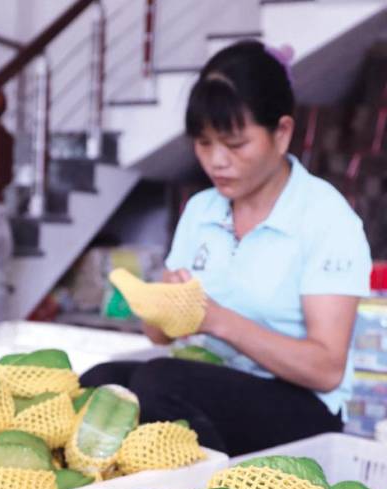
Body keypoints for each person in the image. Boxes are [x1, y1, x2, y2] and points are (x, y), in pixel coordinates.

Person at [80, 40, 371, 456]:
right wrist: (166, 306)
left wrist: (216, 320)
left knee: (160, 385)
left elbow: (325, 369)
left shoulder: (326, 218)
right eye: (203, 143)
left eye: (234, 145)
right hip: (211, 380)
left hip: (301, 407)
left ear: (282, 133)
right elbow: (159, 336)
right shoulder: (201, 211)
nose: (216, 161)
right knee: (100, 382)